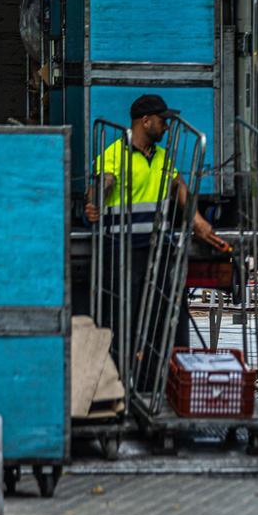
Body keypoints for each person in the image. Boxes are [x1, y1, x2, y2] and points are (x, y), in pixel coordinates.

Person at [84, 94, 229, 379]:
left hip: (157, 250)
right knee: (122, 319)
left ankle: (154, 382)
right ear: (145, 121)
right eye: (163, 121)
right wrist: (94, 201)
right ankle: (119, 384)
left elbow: (179, 187)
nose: (167, 127)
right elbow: (103, 183)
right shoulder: (115, 153)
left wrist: (198, 222)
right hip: (124, 251)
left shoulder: (162, 157)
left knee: (160, 320)